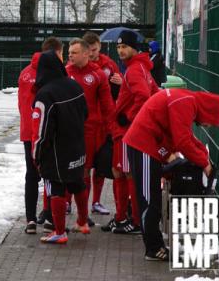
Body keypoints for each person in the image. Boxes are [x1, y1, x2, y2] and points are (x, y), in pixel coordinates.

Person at [124, 89, 219, 261]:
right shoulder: (185, 102)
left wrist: (200, 153)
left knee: (151, 198)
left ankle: (154, 245)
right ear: (209, 112)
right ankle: (153, 248)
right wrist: (205, 163)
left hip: (149, 144)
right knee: (149, 200)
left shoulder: (186, 100)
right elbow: (183, 140)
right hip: (144, 146)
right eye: (211, 123)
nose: (207, 126)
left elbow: (186, 137)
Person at [32, 49, 90, 244]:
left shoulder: (45, 94)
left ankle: (59, 232)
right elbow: (85, 113)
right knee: (77, 183)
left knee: (55, 187)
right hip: (77, 145)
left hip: (56, 151)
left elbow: (41, 130)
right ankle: (82, 222)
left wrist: (37, 155)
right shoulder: (74, 85)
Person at [107, 29, 159, 234]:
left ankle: (132, 220)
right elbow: (155, 92)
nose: (120, 50)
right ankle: (124, 218)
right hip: (128, 130)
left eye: (124, 47)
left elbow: (145, 96)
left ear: (134, 48)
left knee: (125, 174)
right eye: (118, 47)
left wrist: (128, 116)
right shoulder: (142, 67)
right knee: (123, 173)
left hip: (127, 131)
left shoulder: (135, 69)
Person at [17, 37, 64, 234]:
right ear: (55, 54)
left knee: (31, 174)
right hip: (47, 131)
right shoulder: (53, 74)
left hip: (28, 132)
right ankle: (50, 217)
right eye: (62, 54)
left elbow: (22, 104)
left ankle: (30, 219)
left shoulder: (25, 73)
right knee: (51, 174)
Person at [66, 38, 115, 220]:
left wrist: (112, 129)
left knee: (88, 169)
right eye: (69, 52)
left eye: (74, 52)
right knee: (69, 168)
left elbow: (108, 104)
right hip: (69, 130)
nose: (70, 55)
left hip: (91, 130)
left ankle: (86, 210)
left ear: (86, 54)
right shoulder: (65, 73)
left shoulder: (98, 74)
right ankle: (67, 202)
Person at [82, 31, 122, 215]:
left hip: (104, 125)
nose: (91, 54)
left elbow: (122, 88)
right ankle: (73, 202)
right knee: (83, 166)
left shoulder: (109, 65)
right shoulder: (78, 66)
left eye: (94, 49)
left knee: (101, 166)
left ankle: (96, 202)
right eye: (88, 50)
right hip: (85, 125)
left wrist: (121, 82)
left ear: (99, 47)